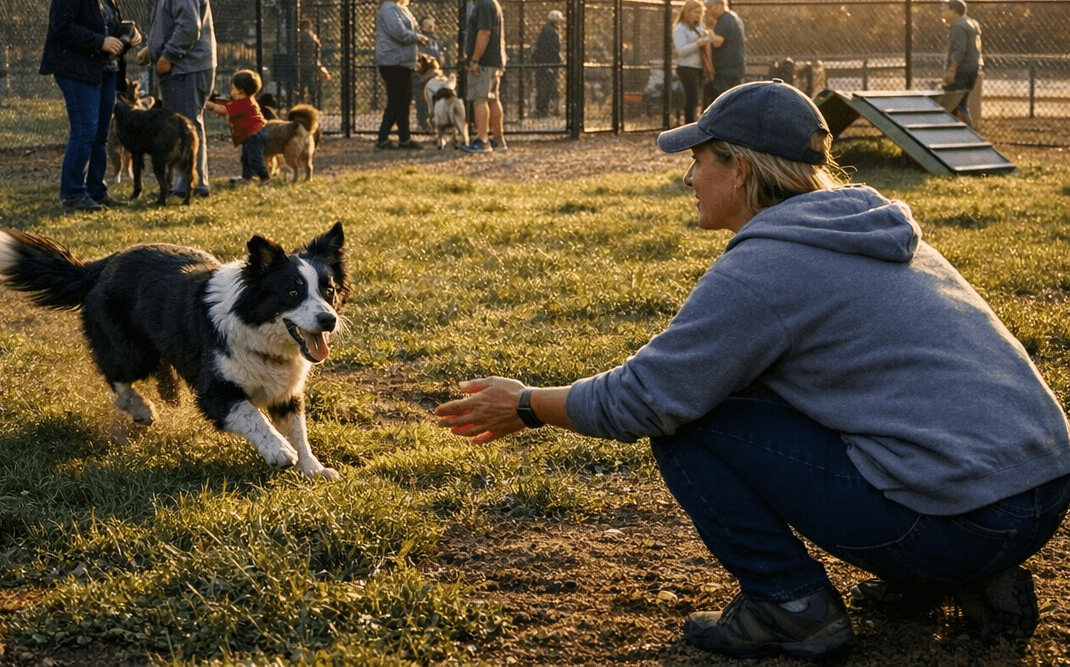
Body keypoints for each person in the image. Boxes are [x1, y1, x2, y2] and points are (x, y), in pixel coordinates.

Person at [434, 80, 1070, 661]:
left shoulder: (767, 267)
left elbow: (648, 399)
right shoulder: (868, 229)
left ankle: (791, 607)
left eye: (698, 159)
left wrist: (524, 404)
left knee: (691, 423)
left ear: (737, 168)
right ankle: (966, 575)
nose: (688, 178)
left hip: (963, 518)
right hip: (1039, 491)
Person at [39, 0, 139, 213]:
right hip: (77, 71)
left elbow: (106, 27)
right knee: (84, 131)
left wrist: (127, 33)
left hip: (105, 71)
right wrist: (100, 42)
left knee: (100, 135)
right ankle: (73, 194)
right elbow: (62, 26)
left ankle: (96, 191)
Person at [136, 0, 216, 198]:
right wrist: (151, 48)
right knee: (188, 123)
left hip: (186, 67)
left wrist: (167, 56)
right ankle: (192, 182)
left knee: (185, 126)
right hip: (185, 65)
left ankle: (191, 184)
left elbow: (188, 26)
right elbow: (173, 22)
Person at [374, 0, 427, 150]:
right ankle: (382, 138)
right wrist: (417, 37)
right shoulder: (388, 8)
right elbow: (399, 33)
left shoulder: (401, 8)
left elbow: (411, 27)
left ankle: (405, 138)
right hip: (392, 63)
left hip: (404, 63)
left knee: (404, 101)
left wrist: (419, 32)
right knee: (396, 102)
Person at [456, 0, 506, 153]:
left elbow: (484, 33)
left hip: (483, 62)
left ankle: (482, 140)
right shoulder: (491, 2)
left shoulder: (483, 4)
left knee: (479, 99)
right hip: (494, 61)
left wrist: (475, 59)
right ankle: (498, 141)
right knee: (493, 99)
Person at [205, 69, 271, 186]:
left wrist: (206, 105)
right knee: (245, 158)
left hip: (255, 134)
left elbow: (224, 110)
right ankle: (246, 179)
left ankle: (265, 178)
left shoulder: (243, 103)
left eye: (233, 89)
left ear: (240, 92)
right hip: (251, 134)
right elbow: (228, 105)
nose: (231, 91)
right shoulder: (246, 100)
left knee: (255, 159)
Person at [671, 0, 717, 124]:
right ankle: (689, 127)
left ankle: (696, 125)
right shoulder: (679, 28)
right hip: (686, 68)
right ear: (687, 12)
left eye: (700, 13)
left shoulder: (699, 28)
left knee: (698, 100)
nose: (698, 16)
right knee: (691, 100)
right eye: (696, 12)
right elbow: (681, 51)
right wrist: (698, 44)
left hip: (700, 68)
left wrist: (710, 37)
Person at [942, 0, 983, 128]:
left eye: (944, 10)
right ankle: (959, 133)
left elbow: (959, 51)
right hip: (973, 68)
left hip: (962, 70)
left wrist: (952, 70)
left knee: (957, 104)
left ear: (954, 11)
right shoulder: (971, 23)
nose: (942, 13)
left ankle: (969, 135)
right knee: (960, 104)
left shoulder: (958, 26)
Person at [701, 0, 745, 106]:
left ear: (718, 6)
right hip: (735, 68)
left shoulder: (725, 20)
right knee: (734, 102)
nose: (708, 11)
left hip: (726, 70)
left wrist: (707, 36)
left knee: (722, 103)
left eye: (709, 7)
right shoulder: (734, 17)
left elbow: (717, 42)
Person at [414, 15, 448, 133]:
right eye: (427, 24)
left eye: (432, 24)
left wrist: (441, 58)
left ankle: (437, 123)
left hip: (435, 72)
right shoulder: (420, 38)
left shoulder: (436, 39)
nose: (430, 26)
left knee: (437, 98)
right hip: (422, 74)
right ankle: (422, 123)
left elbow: (441, 54)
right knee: (421, 98)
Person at [531, 9, 563, 118]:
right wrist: (555, 62)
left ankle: (542, 109)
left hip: (542, 63)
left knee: (541, 86)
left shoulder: (544, 30)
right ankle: (544, 110)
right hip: (549, 64)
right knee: (548, 87)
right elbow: (554, 49)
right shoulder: (553, 32)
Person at [296, 17, 331, 107]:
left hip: (303, 64)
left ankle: (302, 104)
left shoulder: (300, 37)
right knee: (312, 86)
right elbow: (316, 52)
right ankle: (315, 105)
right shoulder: (312, 37)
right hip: (310, 63)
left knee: (302, 86)